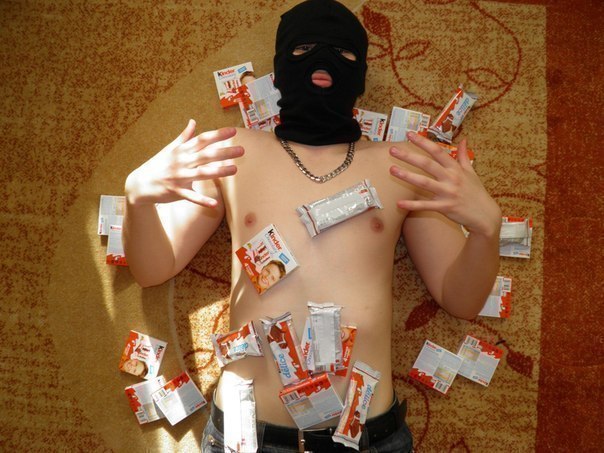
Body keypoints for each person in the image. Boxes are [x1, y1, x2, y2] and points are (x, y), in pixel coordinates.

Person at [122, 0, 501, 451]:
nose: (323, 62)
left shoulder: (402, 164)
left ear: (361, 76)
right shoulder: (232, 151)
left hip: (367, 439)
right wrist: (137, 198)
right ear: (279, 70)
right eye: (304, 48)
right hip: (246, 438)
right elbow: (152, 269)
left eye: (343, 54)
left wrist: (487, 231)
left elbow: (461, 300)